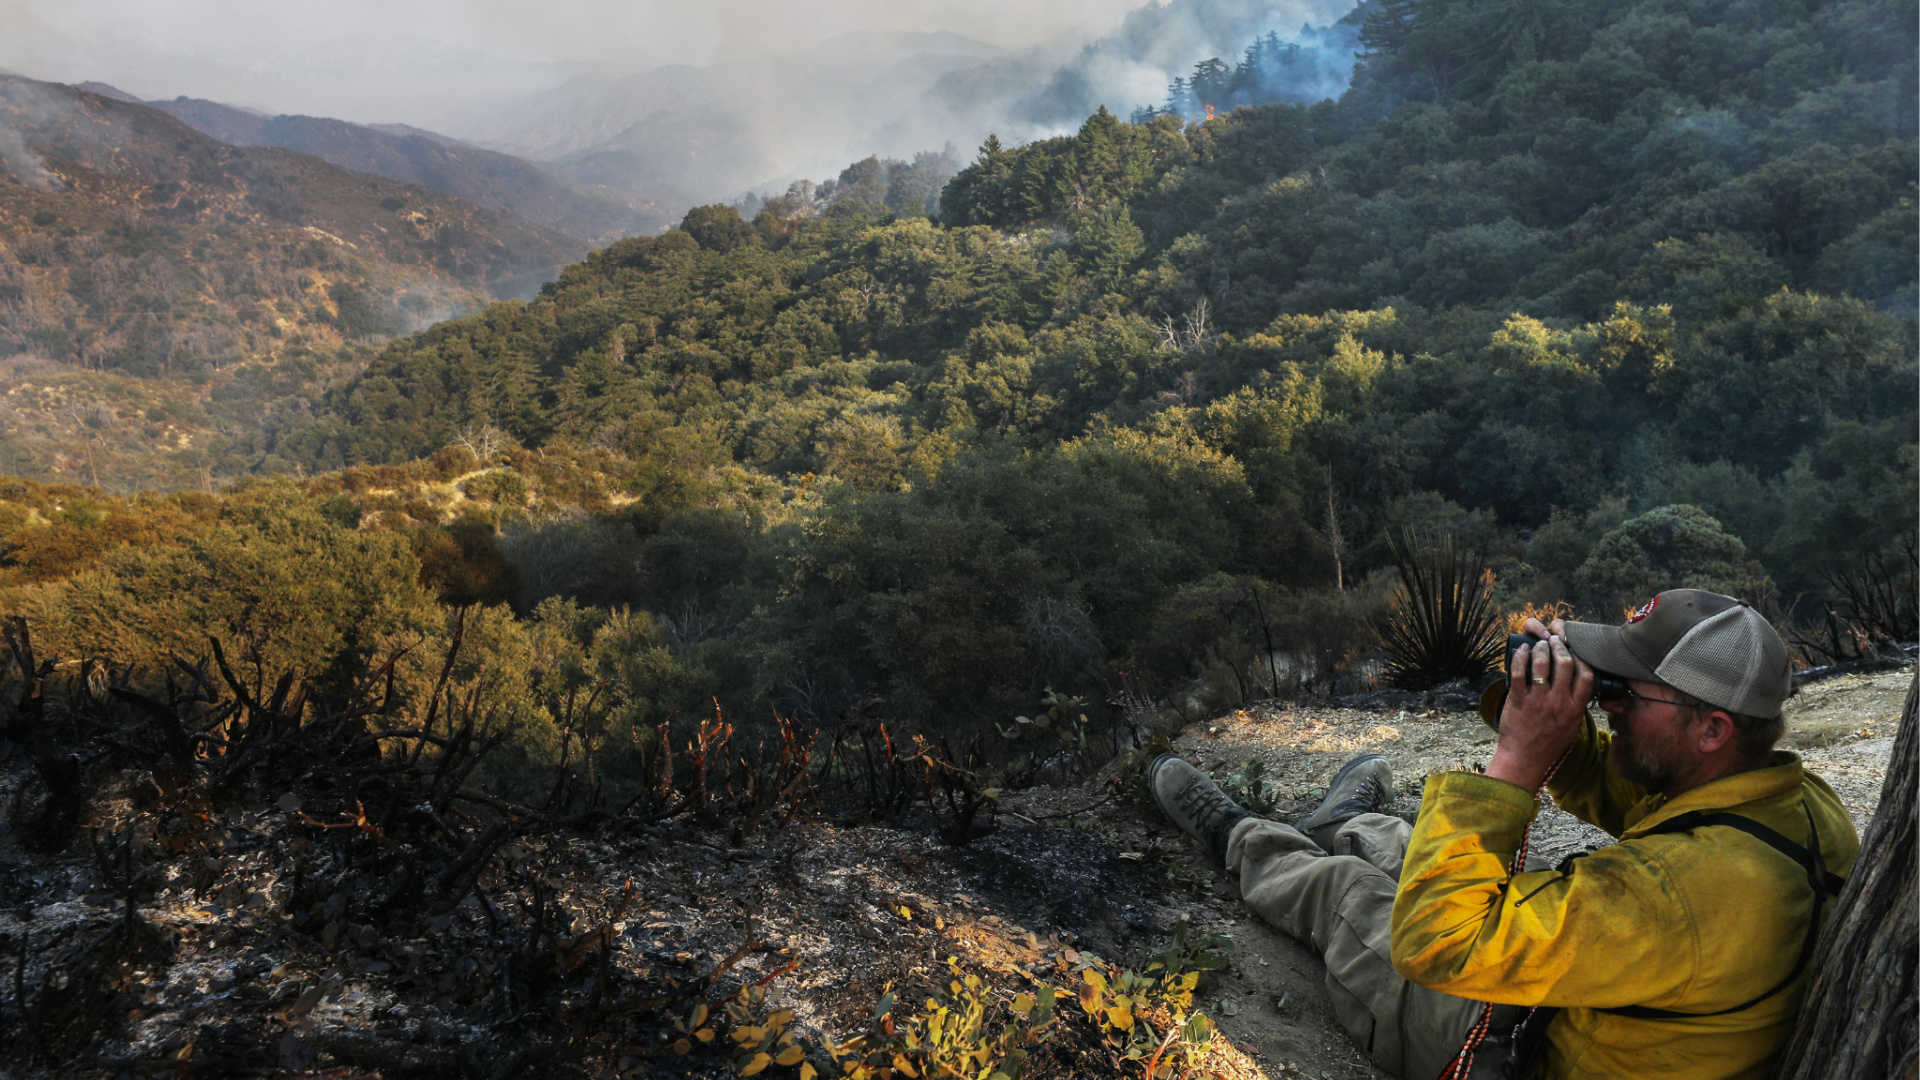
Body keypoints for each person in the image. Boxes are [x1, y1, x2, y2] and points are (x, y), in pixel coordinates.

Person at [1148, 589, 1858, 1080]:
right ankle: (1352, 823)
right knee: (1411, 851)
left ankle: (1241, 836)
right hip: (1603, 987)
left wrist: (1516, 761)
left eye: (1627, 694)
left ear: (1713, 729)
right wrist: (1531, 700)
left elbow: (1436, 941)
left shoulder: (1675, 894)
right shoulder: (1791, 804)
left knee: (1352, 892)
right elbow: (1623, 789)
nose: (1608, 701)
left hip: (1513, 1050)